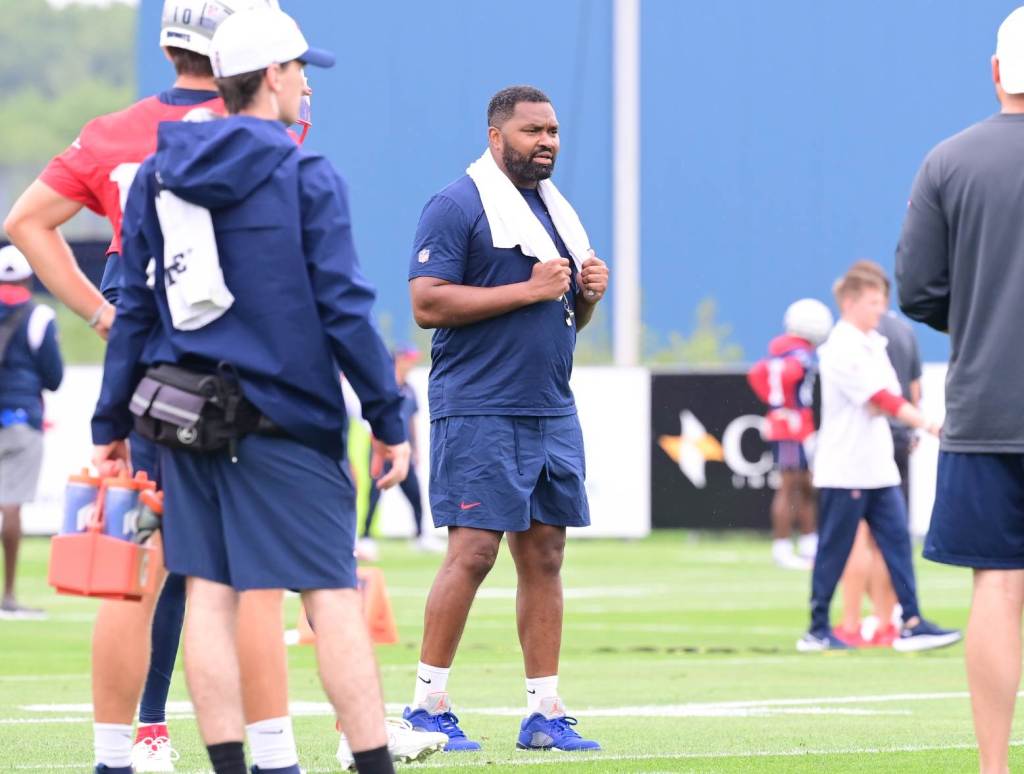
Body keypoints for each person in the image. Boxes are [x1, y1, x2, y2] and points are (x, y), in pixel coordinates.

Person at [91, 7, 444, 773]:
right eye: (301, 70)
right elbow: (343, 307)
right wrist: (387, 416)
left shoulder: (158, 172)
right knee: (331, 593)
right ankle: (374, 761)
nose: (305, 83)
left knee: (209, 594)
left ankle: (227, 765)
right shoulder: (303, 171)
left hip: (182, 418)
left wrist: (108, 419)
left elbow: (136, 310)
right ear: (276, 76)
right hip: (285, 418)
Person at [3, 3, 299, 772]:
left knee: (137, 567)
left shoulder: (109, 133)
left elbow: (27, 222)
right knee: (253, 573)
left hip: (148, 365)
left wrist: (101, 312)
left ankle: (122, 750)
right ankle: (269, 754)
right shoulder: (263, 123)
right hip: (242, 364)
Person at [405, 85, 608, 752]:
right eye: (531, 131)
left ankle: (544, 711)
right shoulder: (456, 204)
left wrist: (586, 298)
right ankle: (426, 707)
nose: (546, 141)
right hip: (480, 406)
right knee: (473, 551)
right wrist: (528, 288)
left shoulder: (553, 213)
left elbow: (561, 314)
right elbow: (427, 302)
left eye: (552, 130)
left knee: (546, 555)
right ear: (497, 137)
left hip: (550, 406)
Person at [895, 8, 1024, 771]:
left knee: (995, 587)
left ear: (996, 70)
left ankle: (992, 765)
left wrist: (977, 316)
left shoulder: (948, 160)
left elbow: (917, 289)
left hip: (985, 407)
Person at [796, 264, 960, 653]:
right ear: (849, 303)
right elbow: (881, 399)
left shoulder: (875, 343)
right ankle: (818, 628)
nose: (880, 309)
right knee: (835, 549)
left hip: (878, 466)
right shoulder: (840, 348)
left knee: (897, 543)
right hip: (845, 468)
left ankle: (913, 621)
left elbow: (892, 393)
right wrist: (927, 424)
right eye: (873, 302)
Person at [834, 259, 922, 648]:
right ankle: (886, 621)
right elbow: (914, 389)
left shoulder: (862, 333)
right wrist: (915, 426)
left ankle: (851, 622)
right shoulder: (904, 332)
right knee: (891, 538)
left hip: (867, 441)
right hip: (899, 439)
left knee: (859, 538)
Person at [0, 245, 62, 618]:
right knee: (11, 504)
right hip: (21, 420)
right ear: (26, 277)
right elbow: (53, 377)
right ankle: (7, 594)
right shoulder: (39, 315)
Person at [747, 298, 832, 570]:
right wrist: (781, 407)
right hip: (791, 426)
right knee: (789, 485)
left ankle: (810, 545)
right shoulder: (796, 356)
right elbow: (766, 374)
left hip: (799, 426)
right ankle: (781, 548)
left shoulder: (791, 352)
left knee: (805, 484)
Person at [361, 346, 444, 555]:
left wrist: (415, 448)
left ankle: (420, 535)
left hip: (404, 450)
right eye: (408, 359)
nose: (411, 364)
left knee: (414, 494)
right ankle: (365, 537)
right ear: (399, 360)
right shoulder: (385, 387)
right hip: (382, 449)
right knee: (375, 492)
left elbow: (412, 420)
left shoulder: (409, 389)